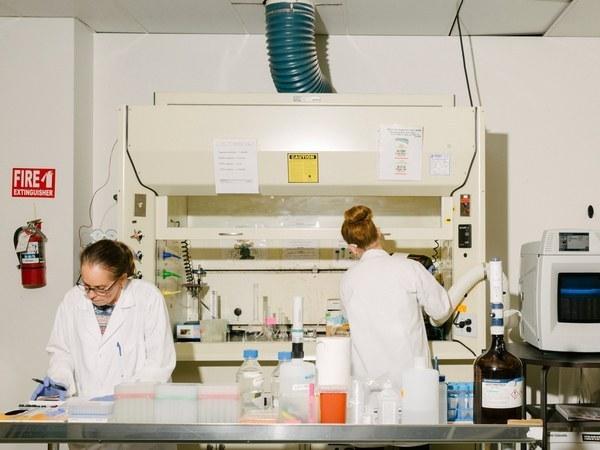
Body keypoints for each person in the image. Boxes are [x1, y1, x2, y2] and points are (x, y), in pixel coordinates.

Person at [32, 239, 176, 401]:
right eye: (86, 285)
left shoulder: (147, 298)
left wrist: (125, 396)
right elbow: (62, 352)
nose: (91, 294)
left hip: (136, 407)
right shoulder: (73, 300)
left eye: (101, 288)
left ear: (122, 280)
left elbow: (158, 363)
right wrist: (58, 383)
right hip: (86, 406)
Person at [340, 205, 451, 409]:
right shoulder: (410, 268)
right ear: (379, 232)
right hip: (410, 391)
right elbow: (441, 310)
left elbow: (350, 319)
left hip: (368, 395)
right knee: (414, 425)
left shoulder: (348, 279)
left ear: (352, 248)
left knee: (371, 425)